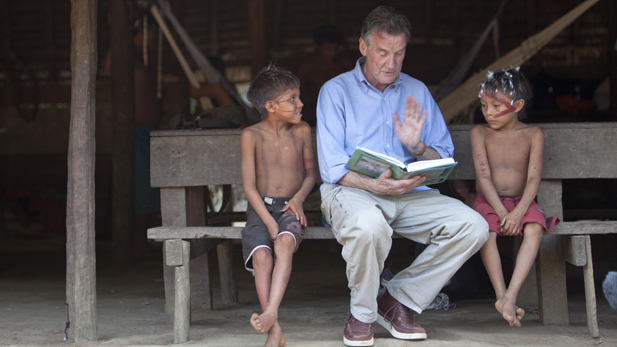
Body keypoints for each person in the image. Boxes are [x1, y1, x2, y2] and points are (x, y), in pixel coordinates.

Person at [316, 6, 489, 346]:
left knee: (473, 226)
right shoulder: (335, 91)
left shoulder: (417, 91)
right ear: (364, 47)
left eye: (399, 53)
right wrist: (373, 184)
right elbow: (332, 168)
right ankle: (362, 314)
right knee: (369, 225)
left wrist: (418, 147)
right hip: (352, 191)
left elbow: (443, 160)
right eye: (383, 52)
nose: (391, 63)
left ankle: (397, 300)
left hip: (408, 193)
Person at [471, 66, 560, 327]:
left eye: (497, 107)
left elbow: (533, 178)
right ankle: (500, 294)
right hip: (489, 201)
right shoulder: (480, 133)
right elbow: (483, 177)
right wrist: (501, 212)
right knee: (484, 229)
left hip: (523, 201)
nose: (489, 113)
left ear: (518, 104)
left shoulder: (533, 134)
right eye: (485, 105)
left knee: (534, 228)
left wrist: (519, 212)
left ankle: (511, 295)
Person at [241, 64, 317, 347]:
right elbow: (248, 185)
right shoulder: (251, 136)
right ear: (270, 106)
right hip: (260, 209)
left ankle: (270, 313)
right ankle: (275, 332)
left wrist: (297, 199)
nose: (301, 104)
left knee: (284, 243)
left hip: (290, 207)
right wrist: (269, 222)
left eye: (298, 97)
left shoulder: (302, 131)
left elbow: (311, 174)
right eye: (292, 99)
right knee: (262, 258)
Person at [297, 25, 353, 127]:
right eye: (328, 49)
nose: (332, 53)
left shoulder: (345, 65)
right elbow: (296, 94)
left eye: (336, 49)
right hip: (315, 117)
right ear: (317, 47)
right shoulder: (307, 68)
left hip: (343, 116)